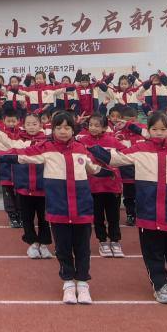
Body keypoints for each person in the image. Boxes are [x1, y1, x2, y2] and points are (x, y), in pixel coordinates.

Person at [86, 112, 167, 305]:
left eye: (163, 129)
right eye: (155, 129)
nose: (159, 133)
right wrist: (90, 147)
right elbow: (115, 159)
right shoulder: (139, 149)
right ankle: (160, 285)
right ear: (148, 130)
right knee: (153, 253)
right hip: (148, 213)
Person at [17, 111, 108, 303]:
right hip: (58, 209)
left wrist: (112, 172)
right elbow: (22, 155)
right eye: (58, 127)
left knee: (82, 248)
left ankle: (82, 283)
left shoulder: (81, 149)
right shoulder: (46, 149)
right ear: (52, 130)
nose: (63, 131)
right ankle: (68, 282)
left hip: (82, 209)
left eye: (67, 127)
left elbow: (94, 168)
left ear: (74, 130)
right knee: (62, 248)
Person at [0, 113, 51, 259]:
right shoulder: (18, 142)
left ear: (41, 125)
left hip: (43, 189)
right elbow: (0, 135)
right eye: (28, 124)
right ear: (23, 125)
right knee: (27, 218)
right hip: (24, 188)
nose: (31, 127)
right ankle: (33, 243)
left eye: (35, 124)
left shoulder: (47, 142)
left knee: (45, 219)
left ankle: (44, 244)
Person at [76, 114, 125, 257]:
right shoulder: (83, 141)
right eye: (91, 125)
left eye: (97, 125)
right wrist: (77, 125)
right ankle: (102, 241)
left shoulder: (113, 141)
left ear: (104, 127)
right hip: (93, 186)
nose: (93, 128)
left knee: (113, 216)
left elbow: (125, 155)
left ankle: (115, 241)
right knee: (98, 217)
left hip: (112, 186)